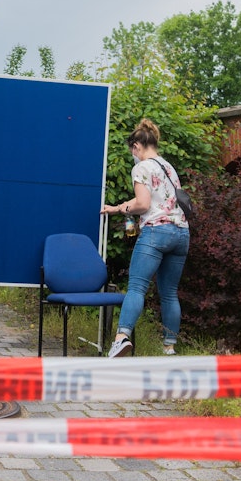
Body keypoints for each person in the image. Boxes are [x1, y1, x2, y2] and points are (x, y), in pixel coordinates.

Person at [100, 118, 190, 357]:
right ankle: (169, 347)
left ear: (136, 146)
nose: (133, 155)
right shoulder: (168, 167)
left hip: (156, 233)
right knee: (169, 293)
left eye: (133, 151)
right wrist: (117, 207)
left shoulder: (141, 167)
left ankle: (121, 338)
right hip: (181, 233)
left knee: (136, 288)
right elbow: (157, 200)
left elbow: (143, 204)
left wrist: (127, 210)